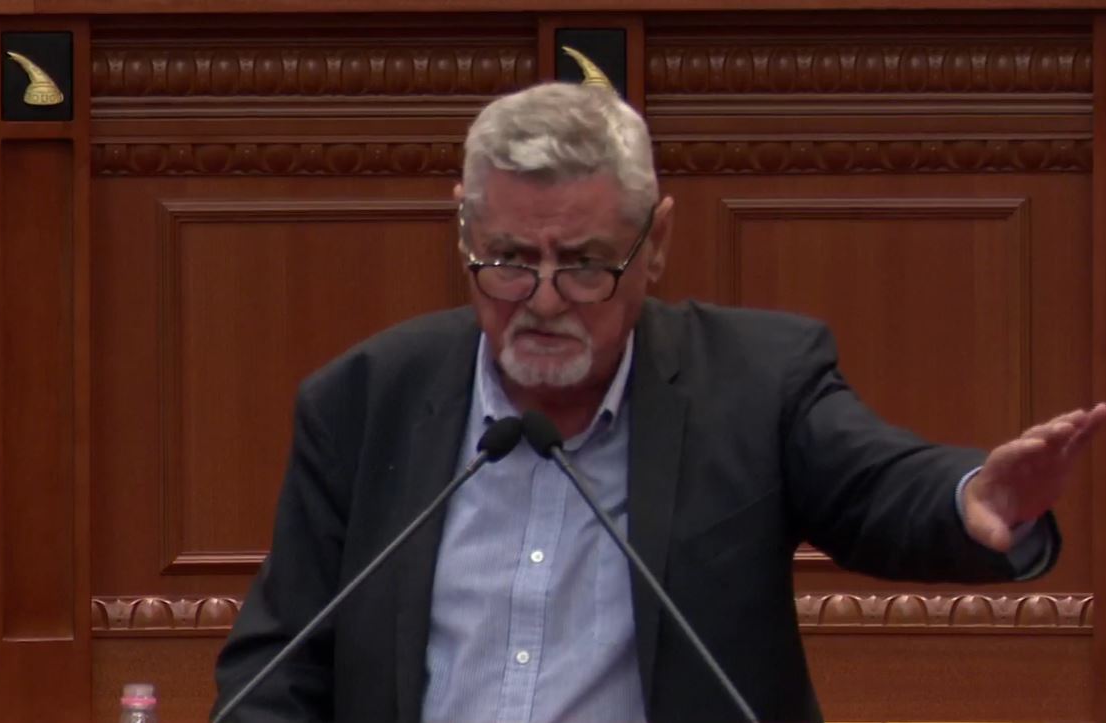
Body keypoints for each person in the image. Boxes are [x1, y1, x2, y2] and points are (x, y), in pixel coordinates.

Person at [212, 64, 1106, 722]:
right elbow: (275, 667)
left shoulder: (753, 382)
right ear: (464, 230)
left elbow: (873, 483)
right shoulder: (365, 398)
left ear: (657, 241)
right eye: (510, 260)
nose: (545, 301)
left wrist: (972, 498)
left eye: (585, 264)